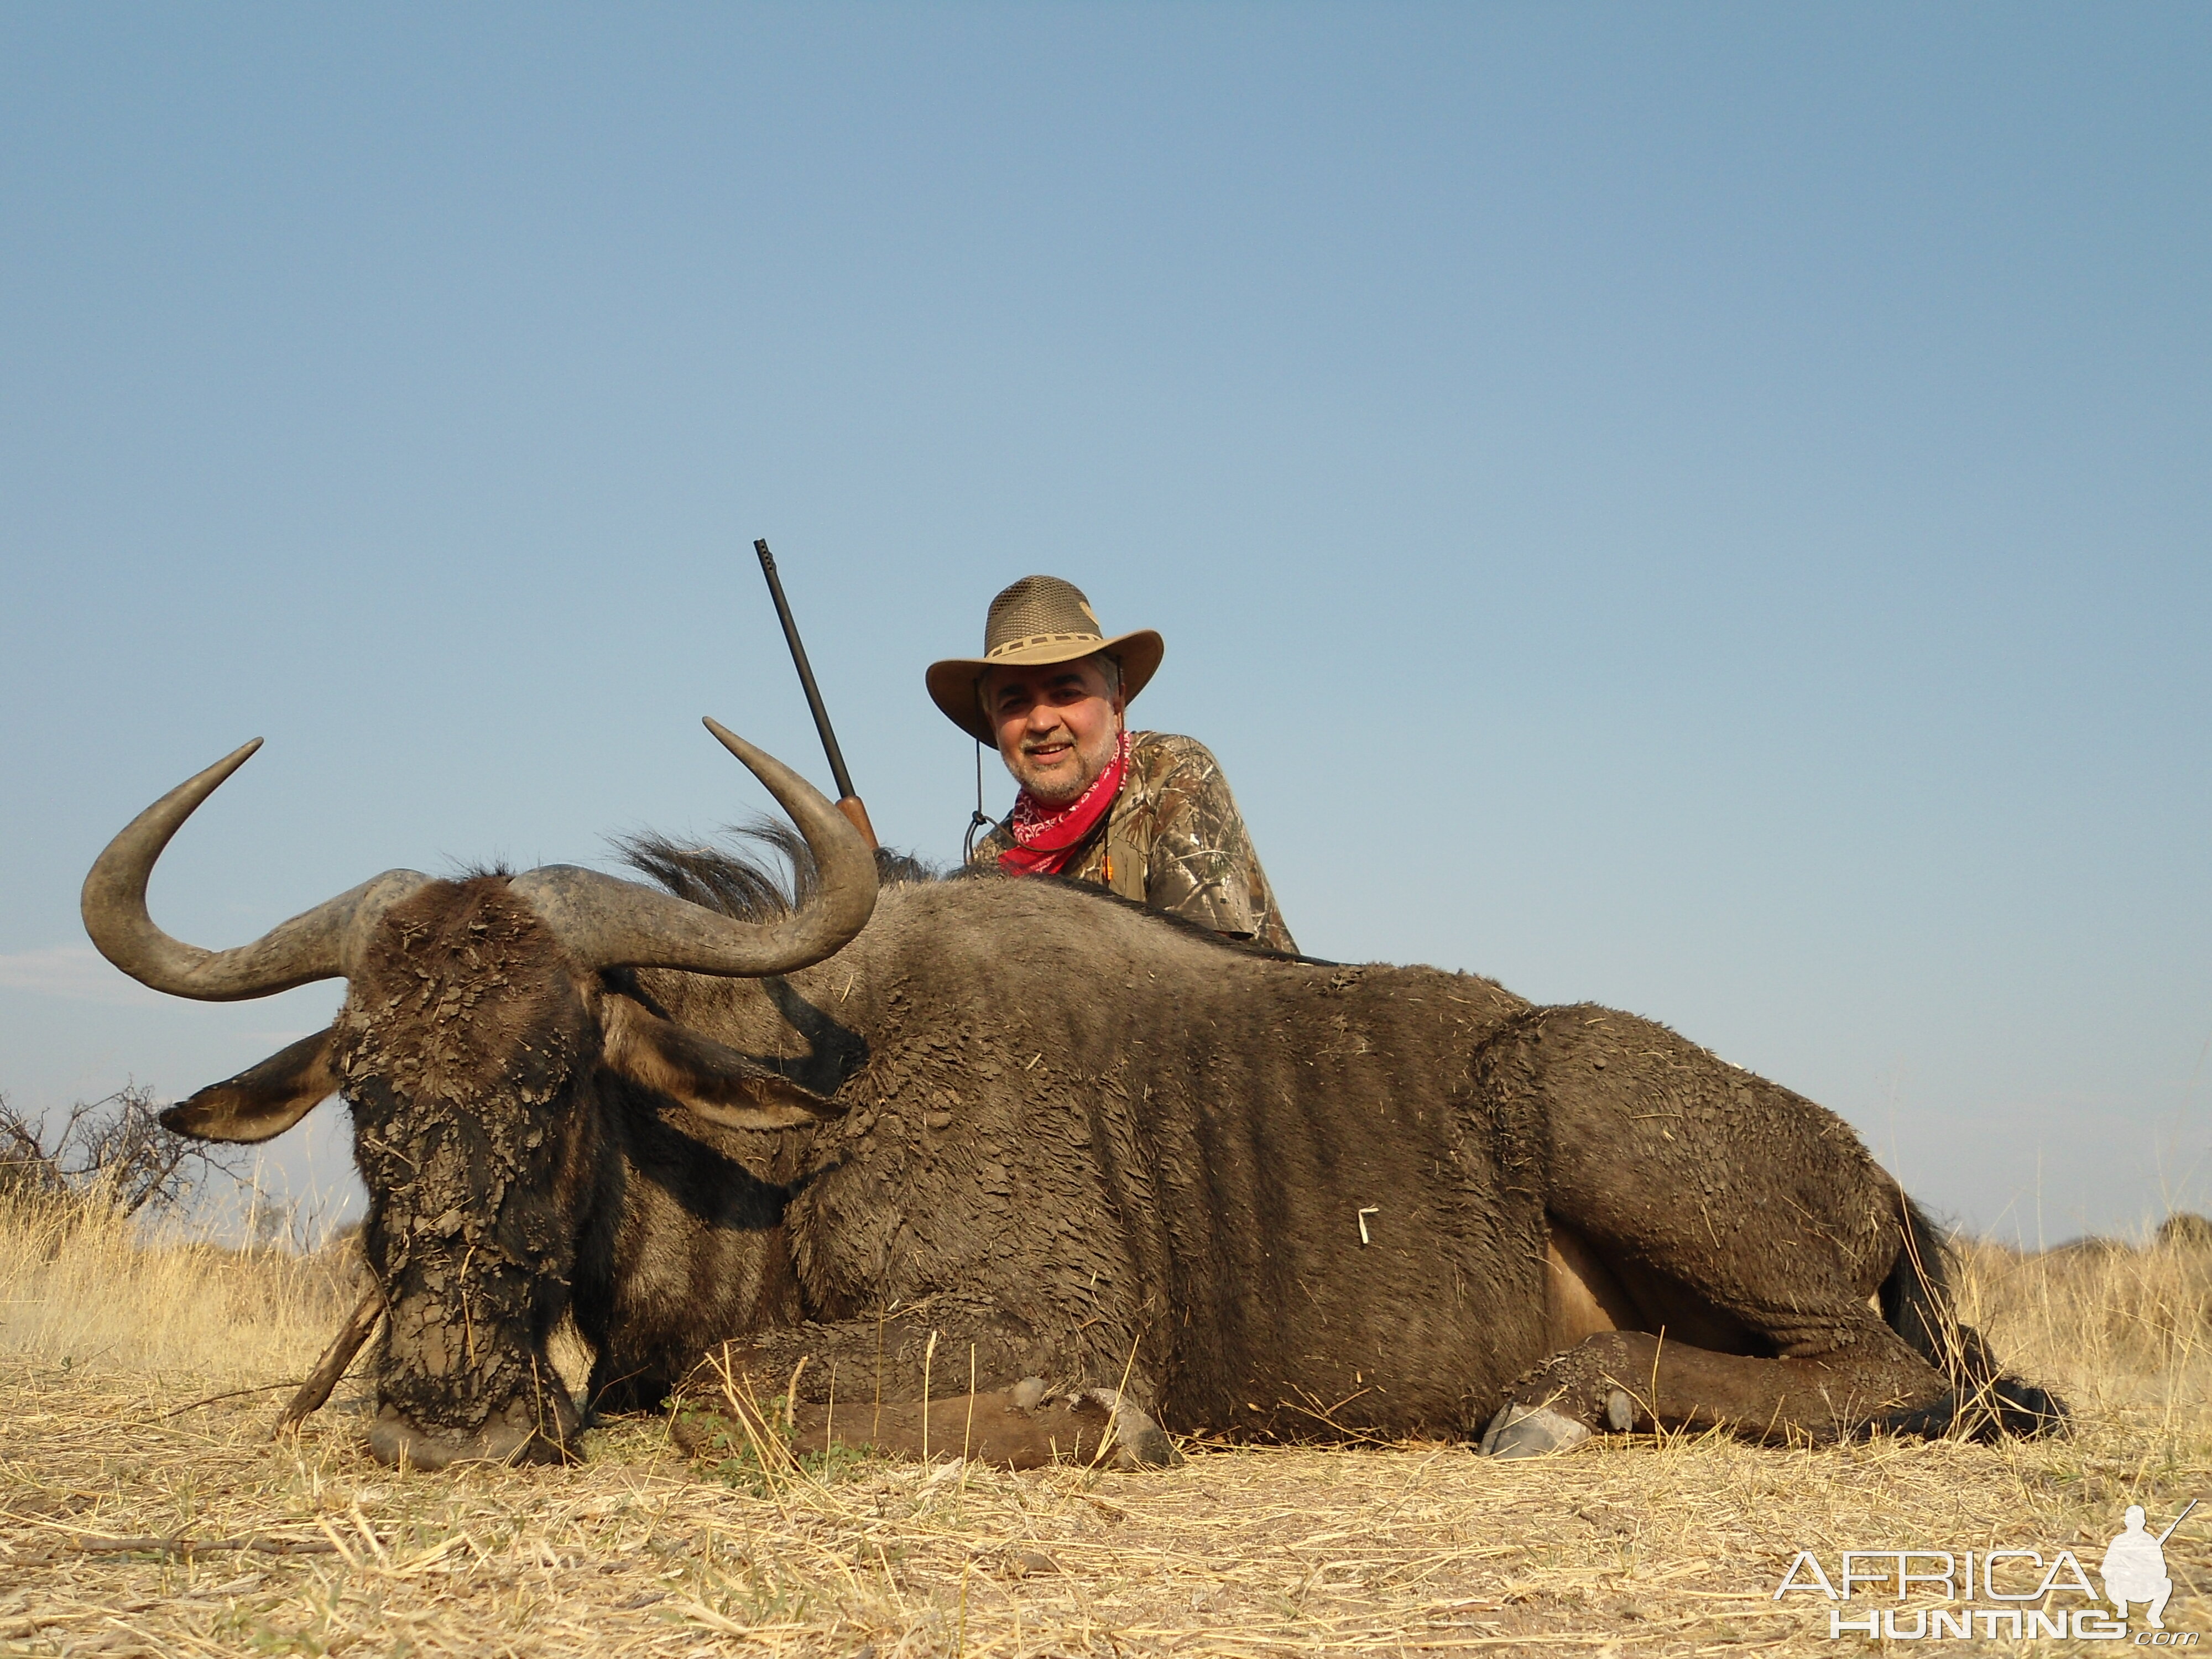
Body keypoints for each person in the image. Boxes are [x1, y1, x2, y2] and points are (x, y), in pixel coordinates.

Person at [927, 574, 1297, 953]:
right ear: (993, 723)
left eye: (1066, 694)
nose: (1041, 722)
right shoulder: (990, 861)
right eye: (1014, 703)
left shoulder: (1171, 775)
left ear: (1117, 703)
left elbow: (1201, 972)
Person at [2100, 1505, 2173, 1629]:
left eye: (2136, 1521)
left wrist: (2145, 1570)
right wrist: (2118, 1571)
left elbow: (2162, 1570)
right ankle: (2121, 1609)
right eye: (2130, 1521)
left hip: (2144, 1586)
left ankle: (2154, 1614)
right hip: (2123, 1585)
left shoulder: (2150, 1542)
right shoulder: (2119, 1541)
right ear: (2126, 1522)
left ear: (2143, 1522)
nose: (2133, 1525)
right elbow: (2107, 1567)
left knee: (2167, 1583)